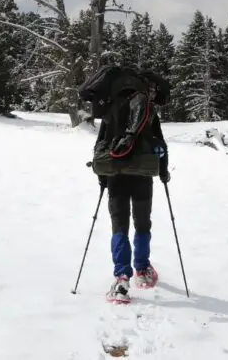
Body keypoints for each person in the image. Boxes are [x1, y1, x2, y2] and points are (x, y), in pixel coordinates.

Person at [80, 65, 171, 304]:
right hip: (142, 175)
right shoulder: (147, 110)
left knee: (119, 224)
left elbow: (101, 144)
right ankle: (142, 269)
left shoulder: (110, 109)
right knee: (142, 222)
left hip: (116, 175)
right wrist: (163, 173)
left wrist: (102, 178)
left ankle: (121, 277)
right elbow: (160, 145)